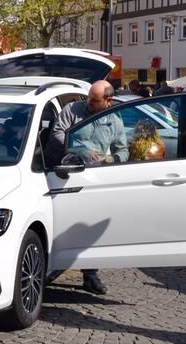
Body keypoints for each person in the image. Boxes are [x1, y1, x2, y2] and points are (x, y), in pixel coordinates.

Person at [45, 80, 127, 295]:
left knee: (89, 227)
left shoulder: (114, 121)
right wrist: (81, 150)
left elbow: (123, 150)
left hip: (93, 180)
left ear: (108, 101)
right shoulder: (72, 109)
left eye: (94, 100)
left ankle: (90, 273)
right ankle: (53, 266)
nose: (88, 102)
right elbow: (56, 135)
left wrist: (112, 159)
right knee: (61, 223)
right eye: (88, 97)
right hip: (63, 175)